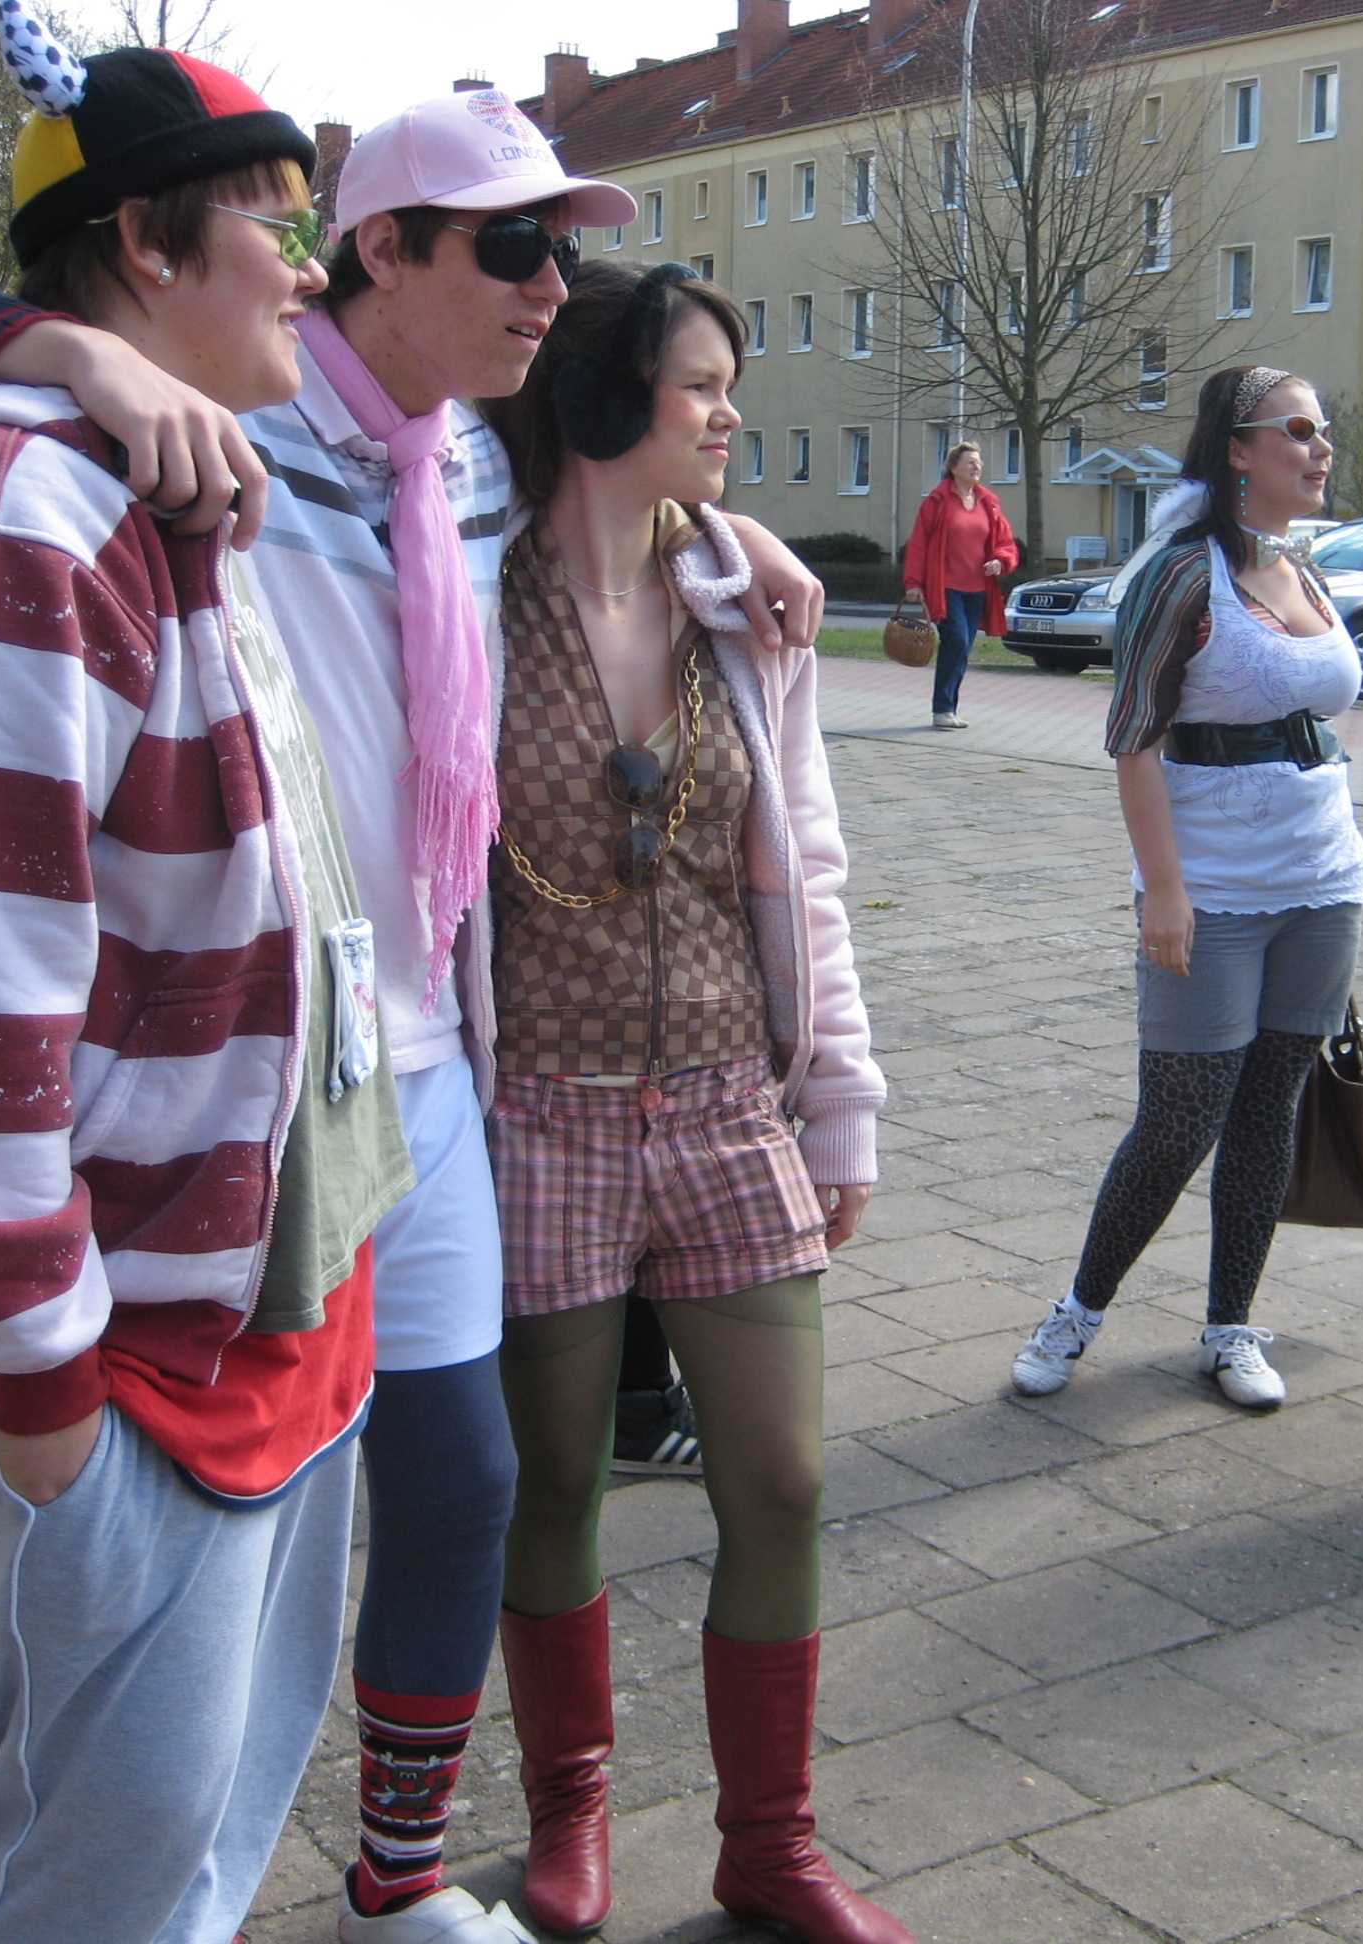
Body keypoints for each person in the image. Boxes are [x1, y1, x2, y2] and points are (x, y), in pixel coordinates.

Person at [0, 86, 828, 1943]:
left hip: (415, 1057)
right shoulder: (220, 408)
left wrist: (723, 530)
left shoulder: (488, 447)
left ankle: (398, 1878)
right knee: (196, 1595)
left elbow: (650, 431)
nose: (549, 284)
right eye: (511, 245)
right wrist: (77, 358)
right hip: (239, 1075)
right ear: (385, 249)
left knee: (456, 1482)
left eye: (558, 249)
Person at [0, 17, 436, 1940]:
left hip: (245, 1287)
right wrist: (41, 1364)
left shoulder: (140, 481)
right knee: (96, 1878)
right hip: (117, 1339)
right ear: (142, 242)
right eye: (277, 224)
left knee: (186, 1841)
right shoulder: (0, 519)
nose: (311, 272)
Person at [477, 260, 899, 1944]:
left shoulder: (745, 607)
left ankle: (770, 1844)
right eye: (702, 384)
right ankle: (568, 1810)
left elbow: (807, 865)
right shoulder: (467, 588)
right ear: (603, 396)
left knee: (782, 1477)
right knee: (551, 1483)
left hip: (730, 1099)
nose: (731, 414)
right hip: (539, 1109)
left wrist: (837, 1098)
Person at [1010, 367, 1363, 1413]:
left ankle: (1230, 1327)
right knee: (1179, 1123)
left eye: (1322, 428)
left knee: (1269, 1114)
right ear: (1237, 449)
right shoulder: (1179, 574)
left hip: (1322, 881)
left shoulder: (1302, 568)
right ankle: (1078, 1310)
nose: (1319, 447)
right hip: (1209, 888)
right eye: (1296, 429)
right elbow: (1135, 741)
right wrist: (1163, 889)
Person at [900, 441, 1021, 728]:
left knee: (963, 647)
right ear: (953, 467)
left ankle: (949, 709)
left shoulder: (988, 503)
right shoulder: (937, 501)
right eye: (969, 462)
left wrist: (1000, 561)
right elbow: (918, 544)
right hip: (946, 587)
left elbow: (1005, 542)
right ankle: (942, 709)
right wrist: (913, 582)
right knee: (956, 640)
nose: (976, 466)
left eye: (978, 462)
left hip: (978, 589)